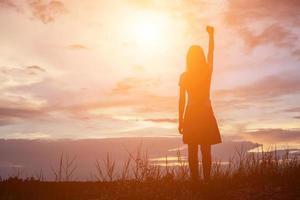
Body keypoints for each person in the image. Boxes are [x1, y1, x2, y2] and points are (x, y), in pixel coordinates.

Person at [178, 25, 221, 183]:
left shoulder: (187, 75)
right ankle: (205, 182)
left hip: (193, 114)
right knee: (204, 149)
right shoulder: (204, 71)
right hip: (203, 112)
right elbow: (211, 54)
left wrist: (180, 120)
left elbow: (181, 100)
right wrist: (211, 36)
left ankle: (197, 182)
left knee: (194, 149)